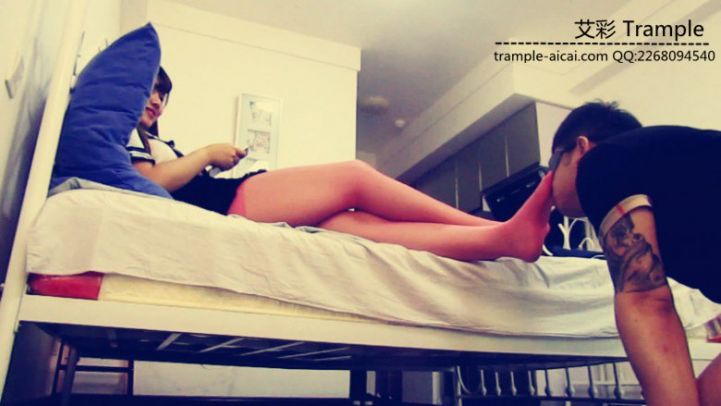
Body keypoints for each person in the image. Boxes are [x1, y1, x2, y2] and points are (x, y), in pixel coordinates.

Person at [127, 67, 554, 262]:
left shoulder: (151, 139)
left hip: (226, 200)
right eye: (151, 89)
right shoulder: (123, 132)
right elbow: (153, 180)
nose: (157, 100)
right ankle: (493, 227)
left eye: (163, 94)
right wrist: (205, 154)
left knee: (361, 225)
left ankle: (500, 240)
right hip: (229, 202)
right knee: (354, 176)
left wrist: (204, 162)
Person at [549, 101, 721, 405]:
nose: (547, 180)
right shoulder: (665, 168)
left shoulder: (599, 164)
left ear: (580, 148)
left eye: (552, 163)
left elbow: (645, 300)